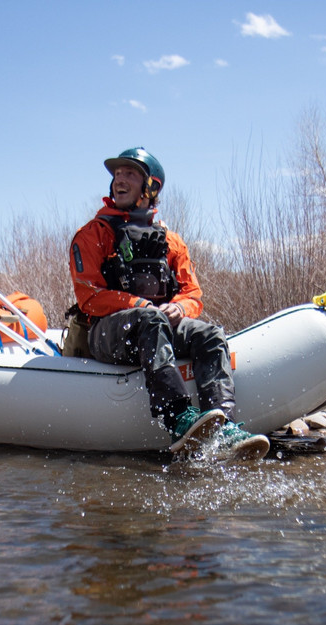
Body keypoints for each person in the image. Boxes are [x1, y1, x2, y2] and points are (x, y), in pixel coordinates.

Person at [67, 147, 269, 460]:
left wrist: (181, 308)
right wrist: (139, 304)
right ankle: (177, 418)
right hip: (107, 334)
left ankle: (222, 426)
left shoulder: (172, 242)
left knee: (210, 334)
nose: (119, 179)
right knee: (151, 320)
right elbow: (89, 296)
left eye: (129, 174)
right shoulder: (94, 234)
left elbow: (193, 294)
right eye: (117, 174)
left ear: (151, 188)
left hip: (155, 328)